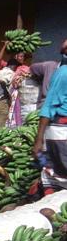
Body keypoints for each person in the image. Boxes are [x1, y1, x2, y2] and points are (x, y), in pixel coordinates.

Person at [33, 39, 67, 193]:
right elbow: (48, 106)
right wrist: (39, 140)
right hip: (60, 132)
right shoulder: (63, 73)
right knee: (56, 177)